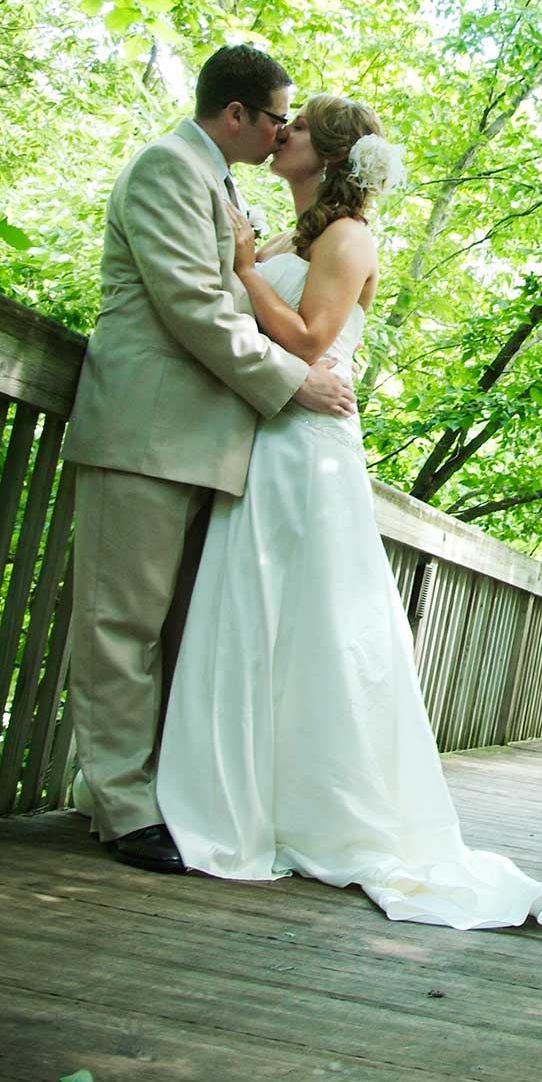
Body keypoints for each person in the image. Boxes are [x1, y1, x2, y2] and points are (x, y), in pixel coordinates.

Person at [153, 94, 542, 934]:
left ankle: (312, 807)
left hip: (308, 448)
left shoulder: (347, 239)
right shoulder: (289, 238)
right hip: (266, 438)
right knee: (252, 613)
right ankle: (243, 795)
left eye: (297, 128)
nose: (282, 133)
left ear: (328, 157)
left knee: (307, 623)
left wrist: (241, 271)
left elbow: (308, 339)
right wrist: (244, 263)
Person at [63, 46, 358, 874]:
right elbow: (192, 304)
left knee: (169, 627)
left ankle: (147, 792)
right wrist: (292, 381)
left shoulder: (221, 183)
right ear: (236, 114)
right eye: (274, 118)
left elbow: (234, 292)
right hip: (145, 430)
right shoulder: (167, 170)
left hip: (205, 440)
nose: (278, 135)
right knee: (119, 621)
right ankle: (121, 806)